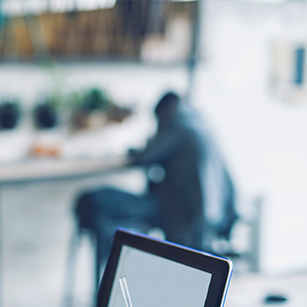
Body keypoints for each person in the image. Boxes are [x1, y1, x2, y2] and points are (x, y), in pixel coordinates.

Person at [75, 91, 238, 275]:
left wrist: (136, 149)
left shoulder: (177, 123)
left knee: (95, 201)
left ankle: (109, 275)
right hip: (208, 209)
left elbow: (144, 157)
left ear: (162, 112)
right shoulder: (199, 121)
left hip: (181, 212)